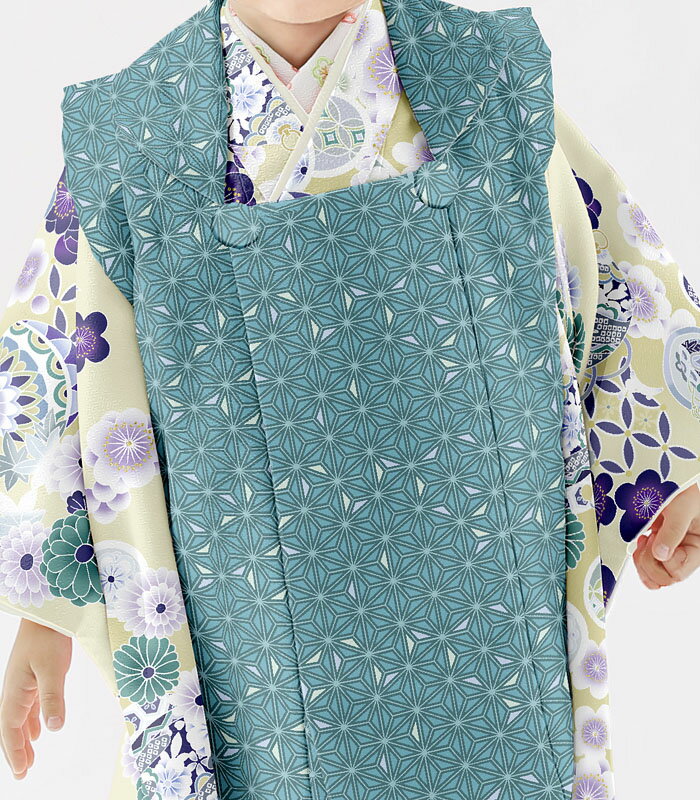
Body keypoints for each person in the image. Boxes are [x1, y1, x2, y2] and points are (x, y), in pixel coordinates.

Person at [1, 0, 698, 798]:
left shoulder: (480, 80)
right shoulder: (134, 136)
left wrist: (672, 473)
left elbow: (615, 281)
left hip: (487, 578)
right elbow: (69, 373)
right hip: (252, 622)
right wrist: (46, 612)